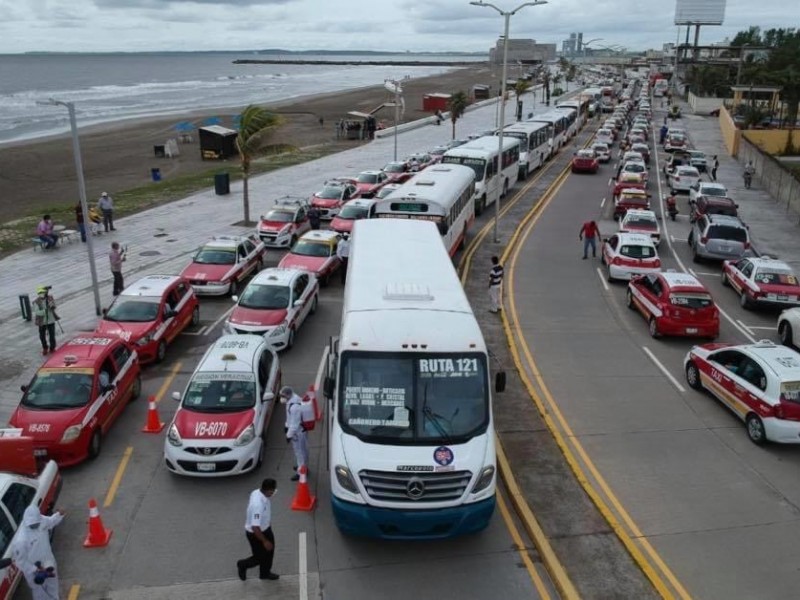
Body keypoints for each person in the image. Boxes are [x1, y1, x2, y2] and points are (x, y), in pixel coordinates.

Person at [9, 505, 65, 600]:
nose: (35, 525)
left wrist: (59, 515)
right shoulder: (21, 540)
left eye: (36, 523)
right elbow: (20, 561)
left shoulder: (41, 520)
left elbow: (51, 521)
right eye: (32, 524)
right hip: (34, 571)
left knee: (53, 587)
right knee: (40, 593)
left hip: (48, 562)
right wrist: (35, 569)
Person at [236, 478, 279, 582]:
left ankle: (264, 573)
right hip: (256, 534)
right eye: (272, 491)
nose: (273, 493)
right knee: (259, 557)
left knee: (269, 552)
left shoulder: (256, 492)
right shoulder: (258, 505)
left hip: (265, 528)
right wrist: (264, 541)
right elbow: (255, 527)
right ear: (267, 490)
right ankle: (242, 565)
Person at [281, 386, 308, 481]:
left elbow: (294, 424)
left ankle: (301, 472)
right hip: (300, 431)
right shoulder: (293, 399)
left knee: (299, 453)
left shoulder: (294, 407)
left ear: (288, 395)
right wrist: (286, 425)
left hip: (297, 433)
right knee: (302, 451)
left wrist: (288, 435)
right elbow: (289, 418)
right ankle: (303, 467)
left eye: (283, 396)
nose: (282, 398)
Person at [32, 286, 58, 355]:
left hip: (50, 320)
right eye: (40, 293)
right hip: (42, 322)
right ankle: (45, 347)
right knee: (42, 336)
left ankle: (52, 348)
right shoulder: (36, 302)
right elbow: (37, 312)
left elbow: (54, 306)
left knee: (52, 335)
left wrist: (52, 305)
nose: (42, 294)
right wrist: (45, 311)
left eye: (43, 292)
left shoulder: (50, 298)